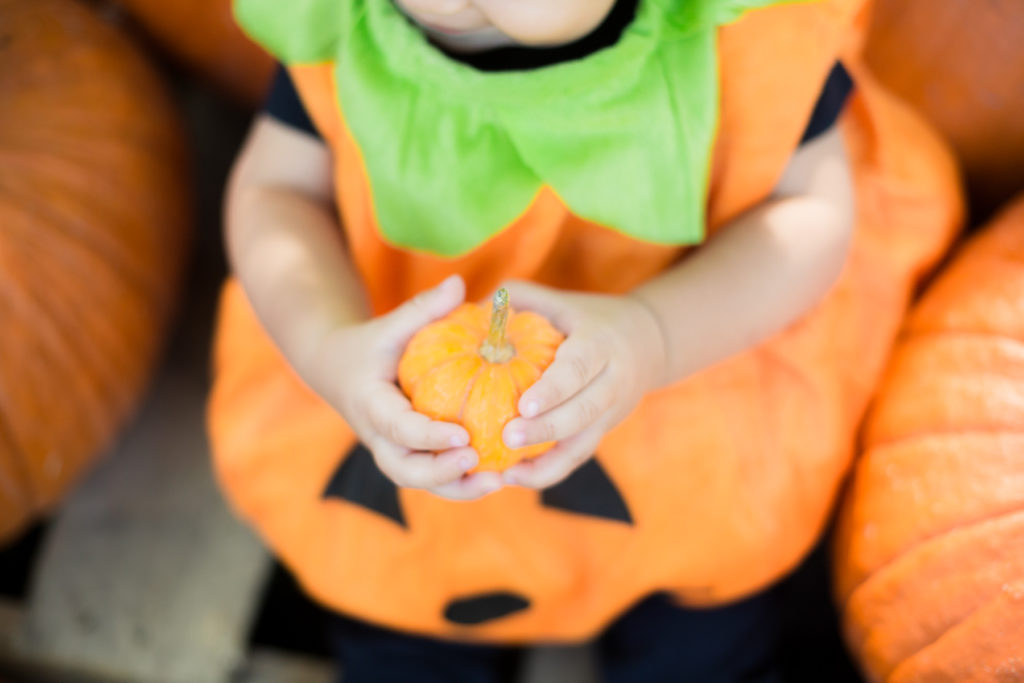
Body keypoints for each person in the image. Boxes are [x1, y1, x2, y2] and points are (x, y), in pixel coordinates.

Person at [209, 0, 963, 680]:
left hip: (685, 387)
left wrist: (655, 335)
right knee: (393, 600)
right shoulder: (345, 19)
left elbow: (808, 216)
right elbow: (279, 190)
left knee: (703, 617)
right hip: (402, 416)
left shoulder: (740, 32)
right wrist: (330, 348)